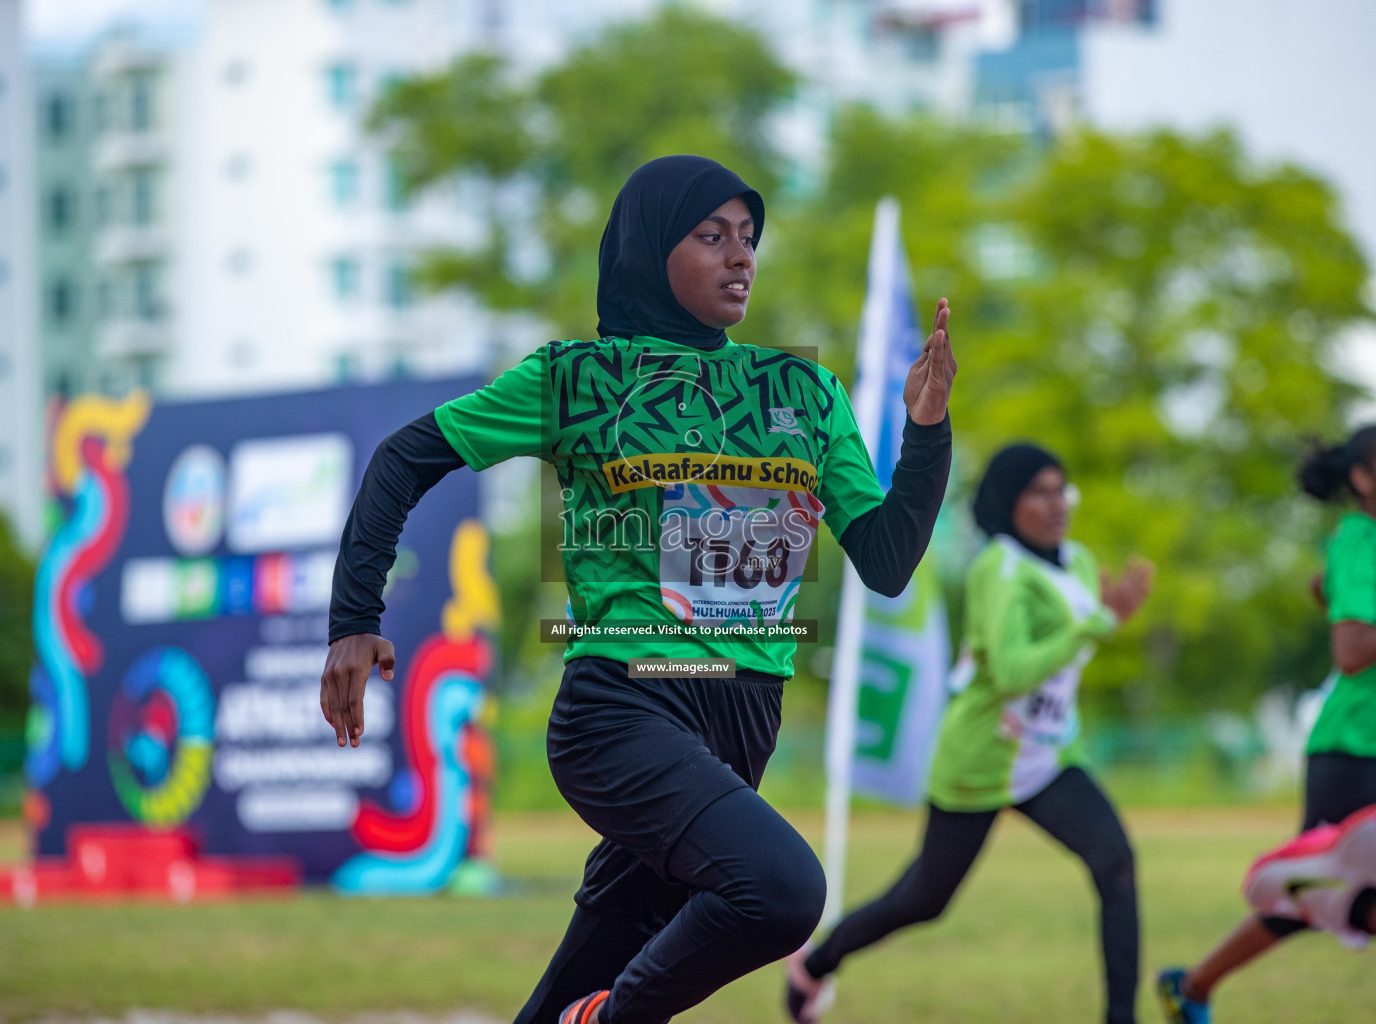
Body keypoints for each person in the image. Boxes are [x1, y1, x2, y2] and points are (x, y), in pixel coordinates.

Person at [320, 155, 958, 1024]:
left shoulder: (805, 392)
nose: (741, 257)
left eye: (749, 239)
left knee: (576, 982)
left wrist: (925, 432)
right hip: (622, 711)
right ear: (653, 249)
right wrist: (354, 619)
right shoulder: (578, 379)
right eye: (711, 237)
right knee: (780, 891)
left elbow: (885, 561)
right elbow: (403, 458)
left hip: (742, 725)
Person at [785, 443, 1154, 1024]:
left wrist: (1095, 623)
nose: (1057, 503)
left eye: (1062, 489)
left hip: (1048, 758)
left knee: (1117, 864)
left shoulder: (1080, 561)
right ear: (1008, 502)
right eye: (1040, 491)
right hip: (979, 757)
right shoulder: (998, 568)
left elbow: (1062, 664)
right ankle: (815, 963)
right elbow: (1011, 672)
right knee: (923, 901)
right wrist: (1098, 622)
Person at [1157, 421, 1376, 1024]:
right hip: (1352, 745)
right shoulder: (1358, 540)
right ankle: (1194, 986)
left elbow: (1326, 589)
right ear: (1364, 479)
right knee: (1313, 892)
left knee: (1320, 894)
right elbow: (1350, 652)